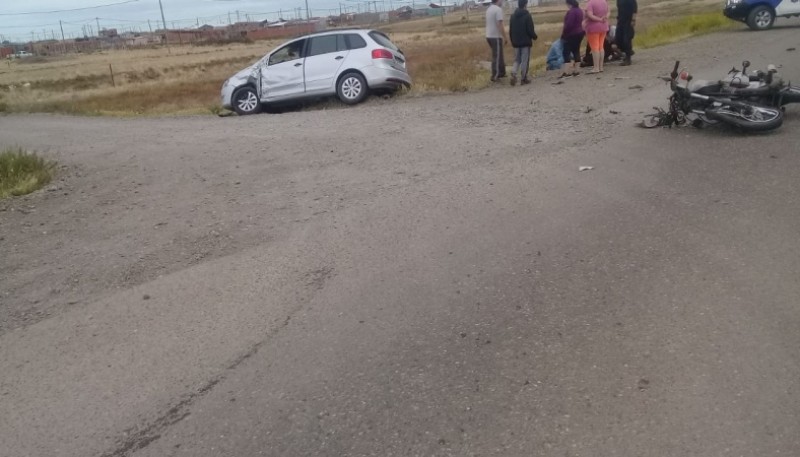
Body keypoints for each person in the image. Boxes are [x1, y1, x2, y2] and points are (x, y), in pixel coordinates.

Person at [509, 0, 537, 86]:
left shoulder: (512, 16)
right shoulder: (527, 16)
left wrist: (512, 40)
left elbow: (511, 30)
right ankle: (523, 78)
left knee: (517, 59)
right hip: (525, 42)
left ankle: (514, 72)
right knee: (525, 60)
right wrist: (534, 36)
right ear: (525, 4)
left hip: (516, 42)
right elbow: (530, 29)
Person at [485, 0, 509, 82]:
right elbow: (500, 24)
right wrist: (505, 37)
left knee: (500, 54)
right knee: (497, 56)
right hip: (495, 36)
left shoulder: (489, 9)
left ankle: (502, 72)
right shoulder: (498, 10)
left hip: (489, 35)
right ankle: (494, 75)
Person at [584, 0, 610, 74]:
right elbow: (608, 12)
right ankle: (601, 67)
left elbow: (590, 15)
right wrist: (604, 18)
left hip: (593, 28)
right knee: (601, 47)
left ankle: (596, 67)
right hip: (604, 26)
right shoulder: (604, 2)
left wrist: (599, 19)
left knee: (595, 48)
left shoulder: (590, 3)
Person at [560, 0, 584, 78]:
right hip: (580, 32)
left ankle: (566, 72)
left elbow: (569, 25)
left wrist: (563, 34)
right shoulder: (580, 10)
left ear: (569, 4)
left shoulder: (571, 12)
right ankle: (577, 70)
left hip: (571, 34)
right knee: (576, 50)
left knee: (566, 52)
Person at [616, 0, 637, 65]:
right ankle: (629, 52)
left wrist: (633, 20)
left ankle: (628, 59)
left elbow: (634, 9)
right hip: (620, 21)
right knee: (618, 39)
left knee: (626, 39)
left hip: (628, 21)